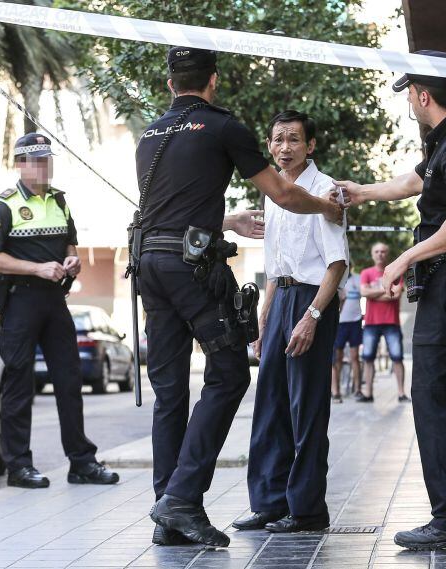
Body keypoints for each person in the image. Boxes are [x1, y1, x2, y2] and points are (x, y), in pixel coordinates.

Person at [139, 48, 344, 548]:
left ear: (170, 85)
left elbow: (172, 209)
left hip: (147, 263)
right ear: (213, 81)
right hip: (188, 270)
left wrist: (225, 221)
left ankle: (170, 512)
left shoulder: (150, 134)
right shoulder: (223, 127)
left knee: (170, 393)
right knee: (229, 374)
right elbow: (284, 194)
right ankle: (182, 500)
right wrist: (328, 207)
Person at [336, 50, 446, 550]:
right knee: (444, 395)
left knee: (431, 396)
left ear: (423, 95)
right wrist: (364, 192)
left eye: (410, 91)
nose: (409, 99)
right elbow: (417, 181)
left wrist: (401, 259)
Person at [0, 133, 119, 490]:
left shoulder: (59, 202)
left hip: (54, 302)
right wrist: (36, 268)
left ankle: (82, 463)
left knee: (70, 383)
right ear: (20, 165)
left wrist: (72, 260)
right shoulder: (4, 206)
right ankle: (19, 467)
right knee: (19, 384)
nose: (43, 166)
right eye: (36, 160)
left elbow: (70, 242)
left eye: (47, 159)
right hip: (20, 301)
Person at [232, 109, 348, 534]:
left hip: (311, 301)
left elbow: (337, 265)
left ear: (310, 145)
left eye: (294, 139)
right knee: (270, 406)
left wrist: (312, 317)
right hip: (280, 298)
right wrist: (265, 319)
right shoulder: (274, 191)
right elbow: (275, 263)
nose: (285, 147)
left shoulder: (325, 190)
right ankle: (268, 503)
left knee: (307, 409)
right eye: (278, 139)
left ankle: (306, 510)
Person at [358, 242, 409, 403]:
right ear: (372, 254)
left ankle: (401, 393)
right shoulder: (366, 272)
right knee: (367, 357)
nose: (380, 254)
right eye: (377, 251)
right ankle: (368, 393)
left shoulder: (395, 272)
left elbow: (396, 294)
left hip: (391, 322)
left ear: (388, 254)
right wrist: (386, 290)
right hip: (371, 322)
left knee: (397, 357)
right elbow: (363, 292)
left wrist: (373, 294)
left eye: (383, 251)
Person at [332, 264, 363, 402]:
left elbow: (367, 293)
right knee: (337, 359)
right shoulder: (335, 279)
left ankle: (358, 390)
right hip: (339, 324)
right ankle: (336, 391)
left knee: (355, 357)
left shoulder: (358, 278)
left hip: (355, 322)